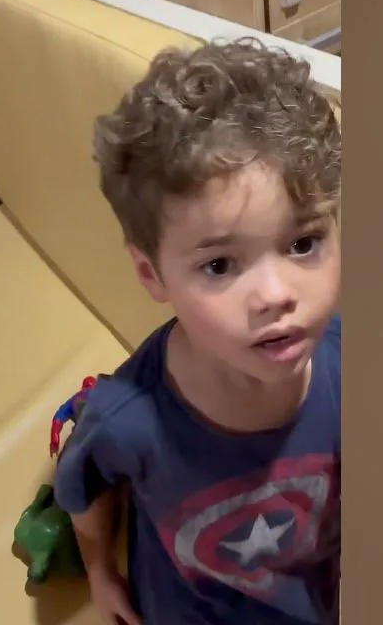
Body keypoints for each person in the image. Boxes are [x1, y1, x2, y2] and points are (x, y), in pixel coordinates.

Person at [52, 37, 342, 624]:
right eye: (220, 265)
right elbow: (82, 491)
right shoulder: (125, 419)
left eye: (303, 243)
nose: (276, 294)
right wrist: (101, 573)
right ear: (151, 273)